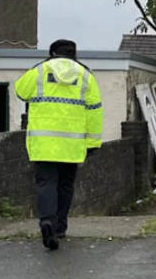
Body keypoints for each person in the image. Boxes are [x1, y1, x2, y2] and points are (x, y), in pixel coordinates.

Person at [15, 39, 103, 250]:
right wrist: (92, 142)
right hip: (71, 145)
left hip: (43, 142)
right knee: (65, 185)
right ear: (74, 54)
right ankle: (60, 227)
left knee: (46, 183)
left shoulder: (40, 70)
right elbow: (94, 111)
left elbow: (20, 91)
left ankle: (47, 221)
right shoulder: (86, 75)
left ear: (52, 53)